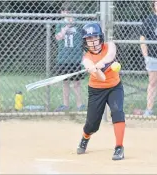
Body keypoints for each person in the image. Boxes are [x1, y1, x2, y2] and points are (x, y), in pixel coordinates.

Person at [76, 23, 125, 161]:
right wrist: (94, 69)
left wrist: (100, 64)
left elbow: (110, 56)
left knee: (117, 111)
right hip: (96, 90)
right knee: (92, 124)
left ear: (100, 37)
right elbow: (102, 78)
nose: (92, 41)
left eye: (95, 37)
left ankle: (119, 147)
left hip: (115, 86)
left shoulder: (110, 46)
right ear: (85, 41)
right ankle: (85, 137)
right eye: (89, 39)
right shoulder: (86, 59)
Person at [54, 3, 85, 111]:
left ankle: (79, 105)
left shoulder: (79, 24)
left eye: (69, 12)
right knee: (65, 83)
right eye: (64, 11)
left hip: (76, 58)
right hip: (63, 58)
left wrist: (84, 56)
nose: (66, 14)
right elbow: (58, 37)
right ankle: (65, 105)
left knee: (76, 83)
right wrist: (67, 26)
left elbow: (84, 40)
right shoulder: (60, 24)